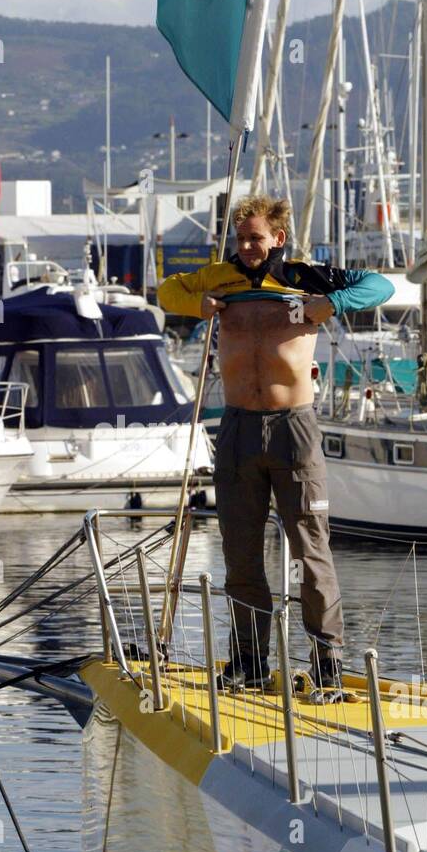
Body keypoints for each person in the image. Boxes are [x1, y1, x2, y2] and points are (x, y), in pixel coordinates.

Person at [157, 194, 394, 699]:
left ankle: (327, 667)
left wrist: (331, 303)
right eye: (241, 238)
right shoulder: (220, 277)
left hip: (294, 429)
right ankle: (248, 663)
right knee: (240, 555)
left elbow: (380, 285)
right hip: (238, 428)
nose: (246, 247)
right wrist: (197, 305)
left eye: (255, 238)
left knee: (312, 552)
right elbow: (166, 291)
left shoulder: (306, 276)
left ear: (278, 239)